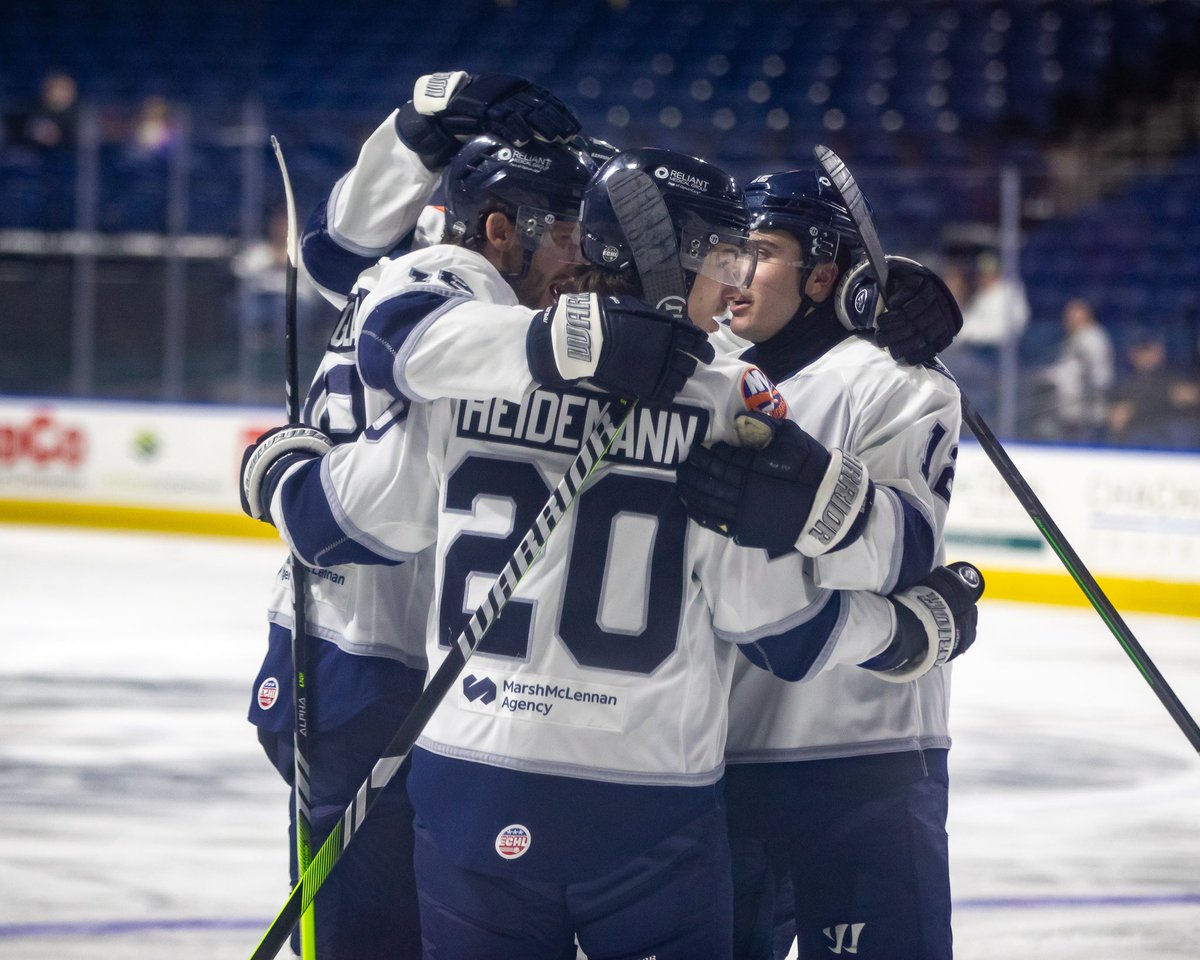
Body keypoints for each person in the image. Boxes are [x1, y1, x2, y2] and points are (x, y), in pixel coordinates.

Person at [239, 147, 984, 960]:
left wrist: (272, 466)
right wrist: (913, 634)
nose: (733, 280)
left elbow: (335, 521)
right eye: (724, 253)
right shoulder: (727, 402)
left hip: (464, 781)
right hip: (648, 803)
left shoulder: (477, 368)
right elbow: (778, 629)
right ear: (671, 258)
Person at [246, 71, 586, 960]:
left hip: (379, 657)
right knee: (368, 935)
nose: (587, 260)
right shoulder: (450, 285)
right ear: (501, 230)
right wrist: (286, 484)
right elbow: (377, 515)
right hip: (359, 657)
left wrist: (416, 128)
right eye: (569, 233)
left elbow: (332, 253)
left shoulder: (424, 275)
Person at [674, 168, 967, 960]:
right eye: (728, 252)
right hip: (717, 756)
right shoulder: (698, 374)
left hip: (863, 757)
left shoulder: (897, 382)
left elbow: (901, 553)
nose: (734, 273)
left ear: (826, 274)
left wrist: (805, 498)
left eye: (761, 253)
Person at [944, 249, 1029, 425]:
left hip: (993, 357)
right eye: (982, 274)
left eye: (988, 273)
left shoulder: (1007, 294)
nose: (983, 278)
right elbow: (968, 325)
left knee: (946, 365)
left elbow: (1000, 333)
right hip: (976, 353)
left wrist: (968, 335)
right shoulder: (984, 296)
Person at [1031, 297, 1114, 442]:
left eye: (1076, 318)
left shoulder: (1092, 339)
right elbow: (1068, 369)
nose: (1070, 322)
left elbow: (1100, 376)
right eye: (1069, 318)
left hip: (1085, 413)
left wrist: (1089, 399)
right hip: (1070, 410)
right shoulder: (1076, 339)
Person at [1107, 328, 1200, 448]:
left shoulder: (1177, 378)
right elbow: (1117, 418)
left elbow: (1188, 397)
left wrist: (1136, 410)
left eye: (1149, 350)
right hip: (1136, 445)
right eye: (1141, 351)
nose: (1146, 356)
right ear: (1132, 354)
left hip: (1171, 445)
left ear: (1160, 352)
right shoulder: (1124, 385)